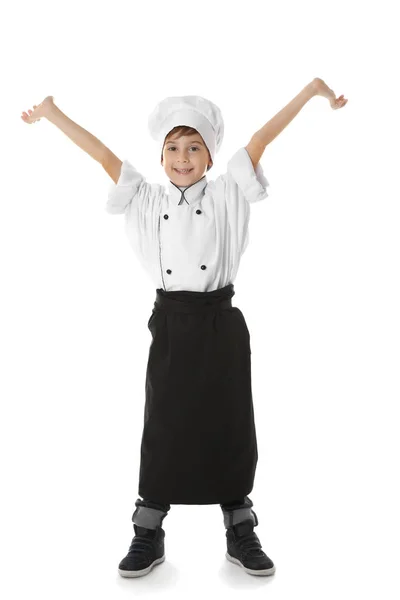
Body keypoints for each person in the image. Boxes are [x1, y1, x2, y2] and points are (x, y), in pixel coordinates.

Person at [21, 82, 347, 579]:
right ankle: (148, 529)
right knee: (164, 425)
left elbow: (262, 137)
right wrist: (52, 112)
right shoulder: (146, 199)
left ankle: (240, 524)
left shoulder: (229, 193)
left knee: (231, 420)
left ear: (212, 155)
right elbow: (103, 155)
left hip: (221, 322)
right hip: (171, 324)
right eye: (172, 147)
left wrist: (312, 92)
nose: (182, 156)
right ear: (161, 154)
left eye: (194, 146)